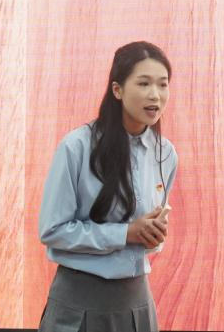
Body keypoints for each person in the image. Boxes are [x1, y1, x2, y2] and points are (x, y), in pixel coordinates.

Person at [38, 41, 178, 332]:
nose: (155, 94)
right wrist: (126, 233)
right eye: (144, 83)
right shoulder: (76, 147)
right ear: (117, 90)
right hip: (78, 303)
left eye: (163, 84)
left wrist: (152, 235)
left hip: (137, 303)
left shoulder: (166, 153)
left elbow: (152, 240)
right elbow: (52, 230)